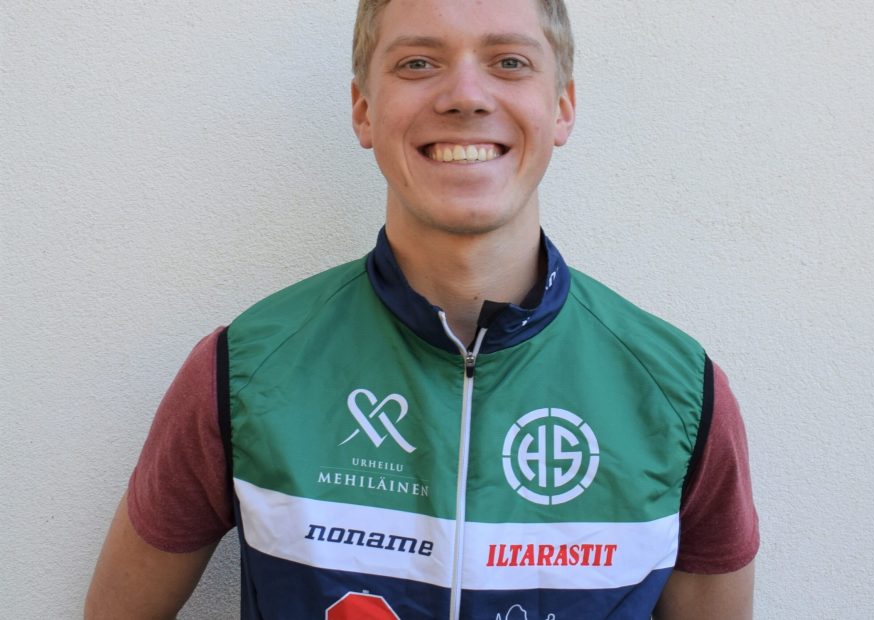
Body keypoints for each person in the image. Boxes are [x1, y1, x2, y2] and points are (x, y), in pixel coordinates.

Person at [85, 1, 759, 618]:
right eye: (417, 63)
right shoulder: (242, 372)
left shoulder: (679, 395)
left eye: (509, 62)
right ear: (363, 110)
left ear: (562, 107)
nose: (465, 95)